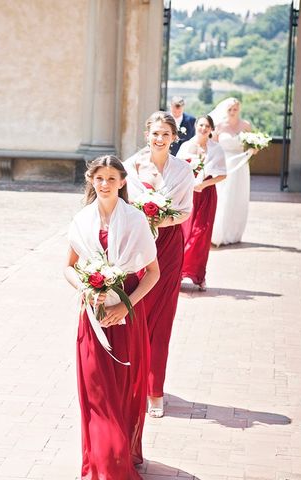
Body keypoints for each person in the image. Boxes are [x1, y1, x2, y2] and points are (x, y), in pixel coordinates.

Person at [65, 155, 160, 479]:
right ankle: (105, 464)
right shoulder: (81, 219)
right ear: (91, 181)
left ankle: (118, 454)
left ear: (122, 182)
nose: (104, 184)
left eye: (111, 178)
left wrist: (125, 305)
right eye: (99, 178)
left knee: (122, 391)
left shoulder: (135, 221)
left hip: (126, 317)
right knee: (96, 392)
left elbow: (152, 274)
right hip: (91, 319)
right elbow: (68, 266)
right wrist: (85, 288)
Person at [124, 112, 193, 419]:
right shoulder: (131, 166)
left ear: (174, 137)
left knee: (161, 318)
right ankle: (131, 381)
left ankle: (155, 391)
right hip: (137, 247)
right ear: (146, 134)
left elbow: (186, 212)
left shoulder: (183, 171)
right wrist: (143, 221)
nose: (160, 138)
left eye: (166, 133)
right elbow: (123, 206)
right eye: (155, 133)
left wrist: (160, 219)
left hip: (167, 246)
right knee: (136, 312)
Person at [176, 115, 227, 291]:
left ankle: (199, 275)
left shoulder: (217, 149)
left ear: (211, 129)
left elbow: (222, 174)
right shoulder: (185, 147)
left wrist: (203, 184)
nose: (203, 128)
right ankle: (179, 272)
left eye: (207, 126)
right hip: (187, 194)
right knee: (185, 233)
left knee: (202, 234)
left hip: (206, 194)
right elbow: (177, 171)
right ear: (196, 126)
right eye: (201, 125)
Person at [208, 97, 254, 246]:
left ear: (239, 109)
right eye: (230, 109)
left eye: (235, 109)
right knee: (224, 197)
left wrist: (254, 149)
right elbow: (212, 147)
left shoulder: (246, 125)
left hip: (241, 166)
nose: (233, 112)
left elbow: (251, 145)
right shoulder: (219, 126)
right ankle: (219, 232)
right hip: (225, 164)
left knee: (238, 198)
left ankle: (234, 233)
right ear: (225, 110)